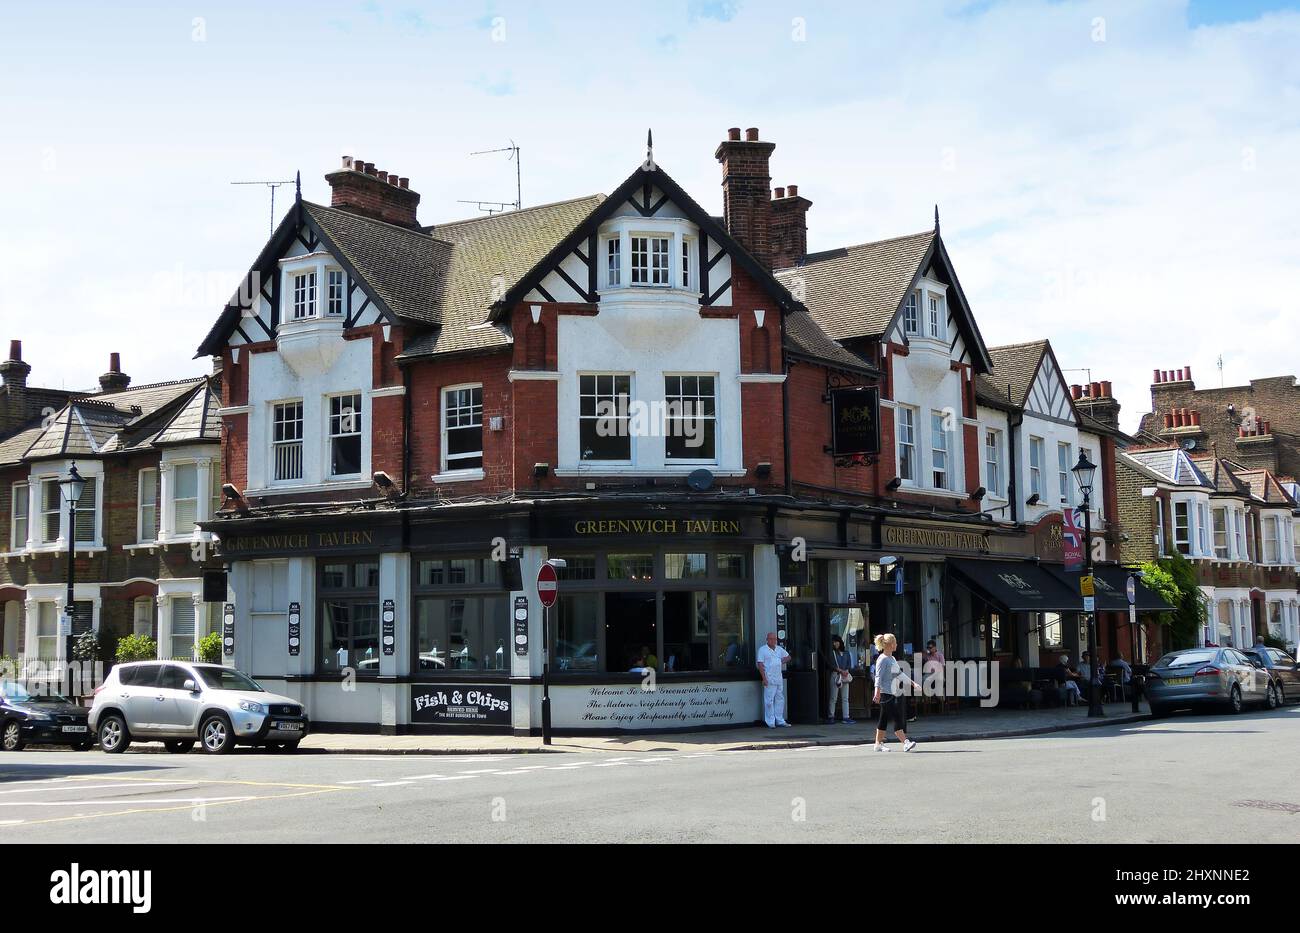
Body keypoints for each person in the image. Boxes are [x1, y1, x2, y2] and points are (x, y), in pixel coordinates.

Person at [872, 633, 920, 752]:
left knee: (883, 719)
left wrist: (913, 684)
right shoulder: (882, 659)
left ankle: (878, 744)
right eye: (895, 642)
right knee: (897, 717)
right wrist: (877, 693)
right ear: (890, 644)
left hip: (892, 693)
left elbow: (899, 674)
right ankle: (905, 742)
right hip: (885, 694)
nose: (897, 644)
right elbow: (878, 677)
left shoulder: (892, 658)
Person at [756, 632, 792, 728]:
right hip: (769, 678)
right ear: (767, 639)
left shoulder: (779, 649)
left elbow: (788, 657)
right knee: (769, 701)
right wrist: (764, 678)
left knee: (780, 699)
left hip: (778, 678)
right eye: (771, 639)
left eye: (775, 639)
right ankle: (770, 721)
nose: (773, 641)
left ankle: (780, 720)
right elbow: (760, 664)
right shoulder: (762, 650)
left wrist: (781, 661)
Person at [824, 634, 854, 724]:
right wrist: (840, 670)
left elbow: (849, 664)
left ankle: (846, 716)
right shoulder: (832, 653)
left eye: (836, 642)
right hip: (836, 675)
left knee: (845, 698)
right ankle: (831, 716)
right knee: (833, 697)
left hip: (845, 675)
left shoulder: (846, 653)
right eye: (833, 642)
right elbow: (831, 665)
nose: (835, 644)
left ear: (840, 642)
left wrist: (845, 672)